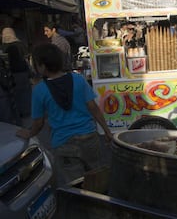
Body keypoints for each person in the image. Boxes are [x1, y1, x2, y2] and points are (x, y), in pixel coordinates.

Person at [16, 43, 113, 186]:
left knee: (77, 186)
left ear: (42, 66)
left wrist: (29, 133)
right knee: (98, 181)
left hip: (64, 144)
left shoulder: (39, 90)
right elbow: (93, 108)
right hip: (90, 139)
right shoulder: (78, 79)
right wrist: (107, 132)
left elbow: (38, 122)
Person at [1, 27, 32, 119]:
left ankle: (20, 112)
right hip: (23, 71)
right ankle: (27, 111)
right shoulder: (20, 44)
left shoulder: (5, 47)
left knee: (16, 94)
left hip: (12, 73)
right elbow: (26, 58)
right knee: (26, 92)